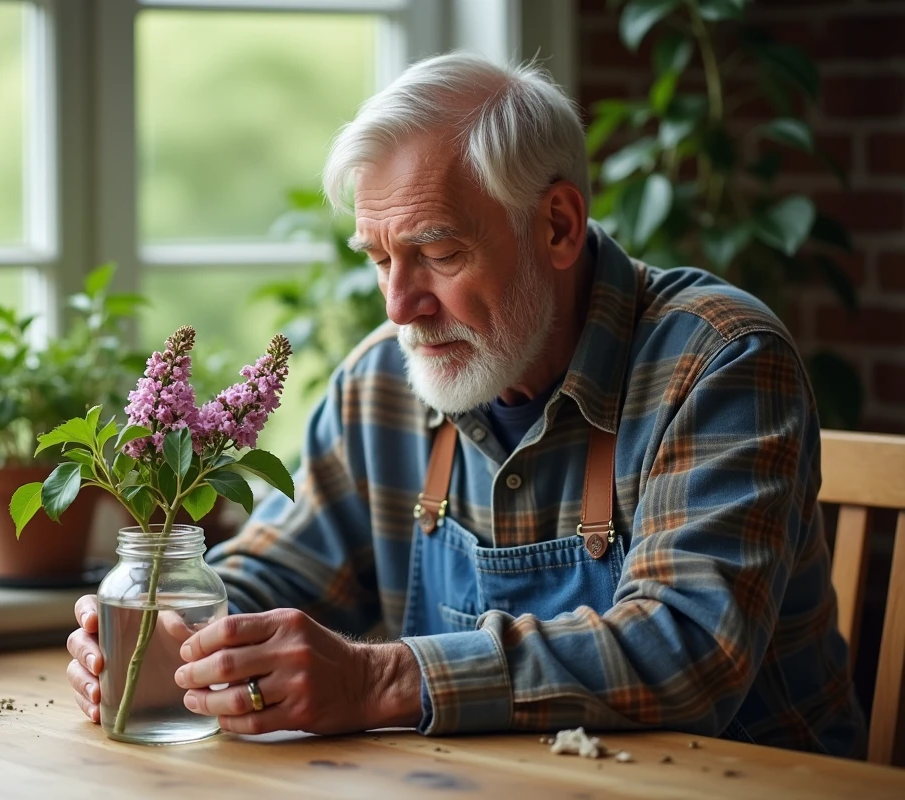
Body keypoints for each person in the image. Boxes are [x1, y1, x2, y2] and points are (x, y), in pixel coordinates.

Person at [66, 52, 866, 756]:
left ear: (556, 225)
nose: (399, 306)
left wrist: (380, 678)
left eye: (437, 253)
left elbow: (687, 648)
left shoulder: (719, 361)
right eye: (379, 258)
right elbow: (280, 570)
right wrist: (177, 632)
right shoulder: (380, 382)